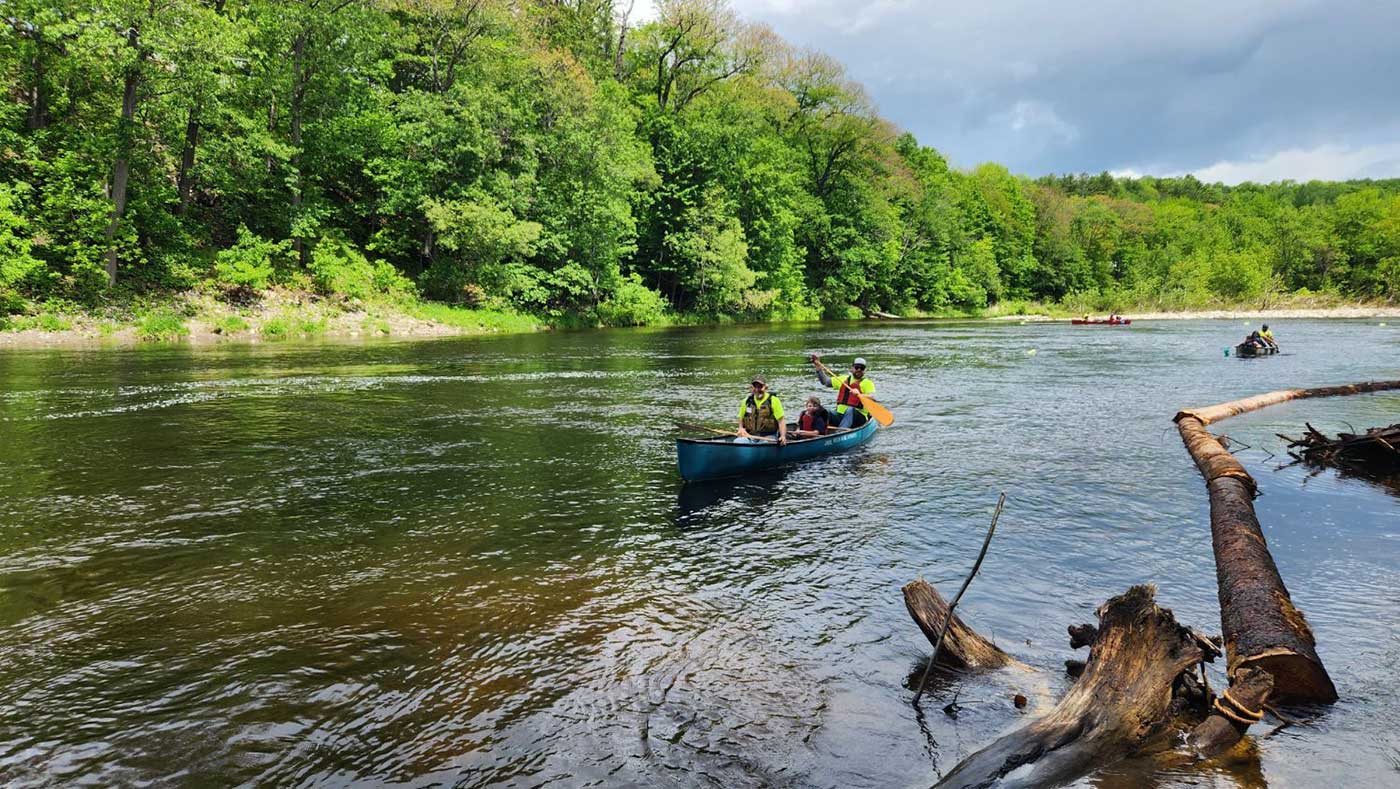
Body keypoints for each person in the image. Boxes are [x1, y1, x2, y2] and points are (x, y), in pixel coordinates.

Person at [811, 354, 874, 429]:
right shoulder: (843, 379)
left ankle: (841, 432)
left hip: (859, 418)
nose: (859, 370)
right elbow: (826, 382)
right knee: (824, 411)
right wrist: (818, 367)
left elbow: (873, 398)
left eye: (862, 368)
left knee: (850, 410)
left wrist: (859, 394)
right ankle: (816, 431)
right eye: (857, 367)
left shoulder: (867, 383)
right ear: (852, 368)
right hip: (840, 415)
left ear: (865, 370)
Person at [736, 376, 787, 445]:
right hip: (750, 436)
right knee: (738, 442)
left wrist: (783, 436)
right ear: (751, 388)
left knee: (765, 444)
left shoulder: (773, 400)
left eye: (760, 387)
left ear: (765, 387)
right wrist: (741, 428)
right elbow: (741, 418)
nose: (757, 390)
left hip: (769, 436)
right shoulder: (747, 401)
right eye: (755, 387)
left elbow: (781, 421)